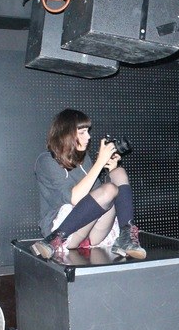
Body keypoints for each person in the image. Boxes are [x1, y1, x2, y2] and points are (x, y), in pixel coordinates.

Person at [31, 109, 146, 259]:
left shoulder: (84, 160)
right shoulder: (46, 161)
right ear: (66, 134)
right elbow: (74, 199)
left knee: (118, 173)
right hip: (66, 230)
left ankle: (127, 236)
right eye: (82, 132)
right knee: (109, 189)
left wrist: (111, 169)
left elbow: (98, 198)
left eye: (88, 132)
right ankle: (55, 239)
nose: (88, 137)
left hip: (93, 232)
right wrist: (99, 163)